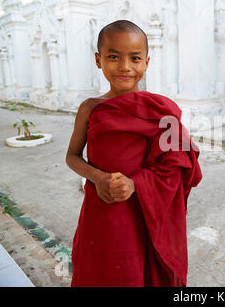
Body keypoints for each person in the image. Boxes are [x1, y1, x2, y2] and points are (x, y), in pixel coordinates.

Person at [65, 20, 203, 287]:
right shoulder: (90, 108)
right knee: (100, 271)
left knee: (136, 273)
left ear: (147, 62)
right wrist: (97, 177)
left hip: (141, 213)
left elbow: (176, 165)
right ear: (98, 60)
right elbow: (72, 156)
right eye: (113, 57)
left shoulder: (160, 111)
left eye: (135, 58)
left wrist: (135, 183)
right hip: (100, 210)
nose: (125, 66)